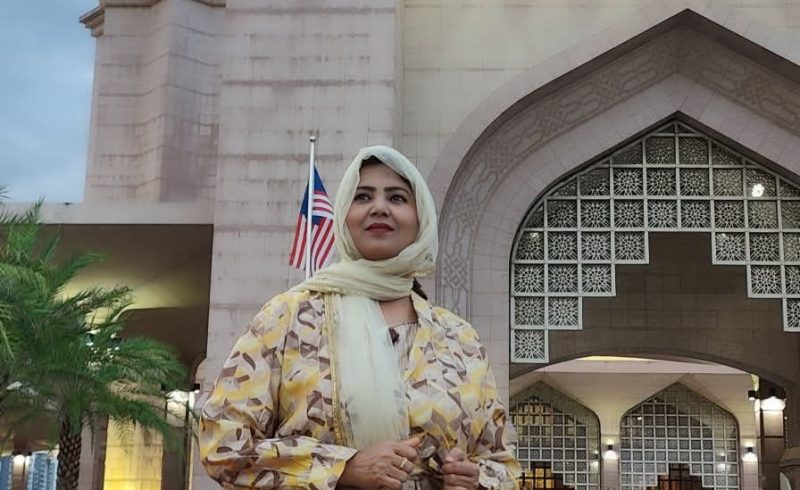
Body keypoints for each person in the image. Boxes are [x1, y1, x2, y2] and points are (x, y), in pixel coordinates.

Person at [199, 146, 520, 489]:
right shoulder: (289, 317)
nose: (379, 207)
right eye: (363, 196)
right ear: (344, 215)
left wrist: (476, 480)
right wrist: (342, 468)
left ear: (421, 219)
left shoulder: (459, 338)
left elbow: (504, 464)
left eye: (397, 198)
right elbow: (223, 444)